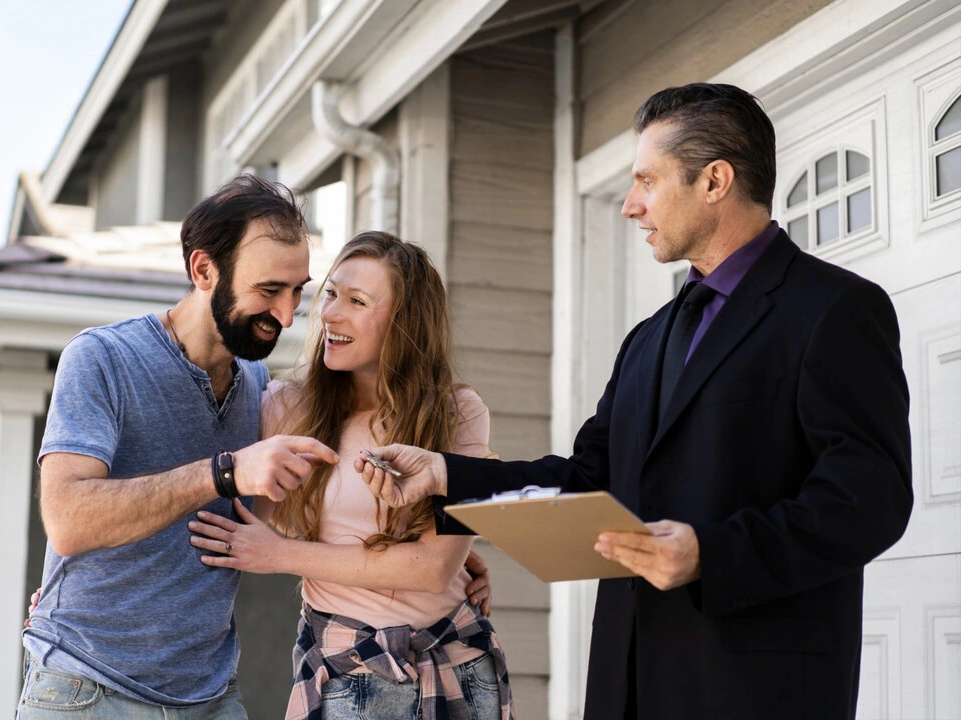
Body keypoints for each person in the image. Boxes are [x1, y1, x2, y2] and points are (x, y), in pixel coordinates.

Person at [357, 84, 913, 720]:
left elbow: (869, 500)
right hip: (627, 681)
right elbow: (592, 480)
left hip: (756, 687)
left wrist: (713, 554)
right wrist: (447, 475)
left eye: (647, 181)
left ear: (715, 181)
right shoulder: (647, 339)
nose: (630, 206)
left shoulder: (836, 309)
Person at [18, 174, 341, 718]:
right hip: (88, 690)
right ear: (203, 270)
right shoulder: (102, 358)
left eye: (297, 292)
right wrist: (223, 472)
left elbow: (301, 511)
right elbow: (68, 520)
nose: (287, 316)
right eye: (268, 291)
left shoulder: (260, 388)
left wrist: (437, 553)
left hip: (210, 697)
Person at [188, 232, 515, 720]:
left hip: (458, 665)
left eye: (357, 301)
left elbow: (432, 570)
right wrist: (81, 586)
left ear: (404, 325)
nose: (330, 314)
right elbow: (214, 512)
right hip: (350, 671)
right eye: (333, 293)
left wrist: (281, 556)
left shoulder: (456, 412)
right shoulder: (285, 407)